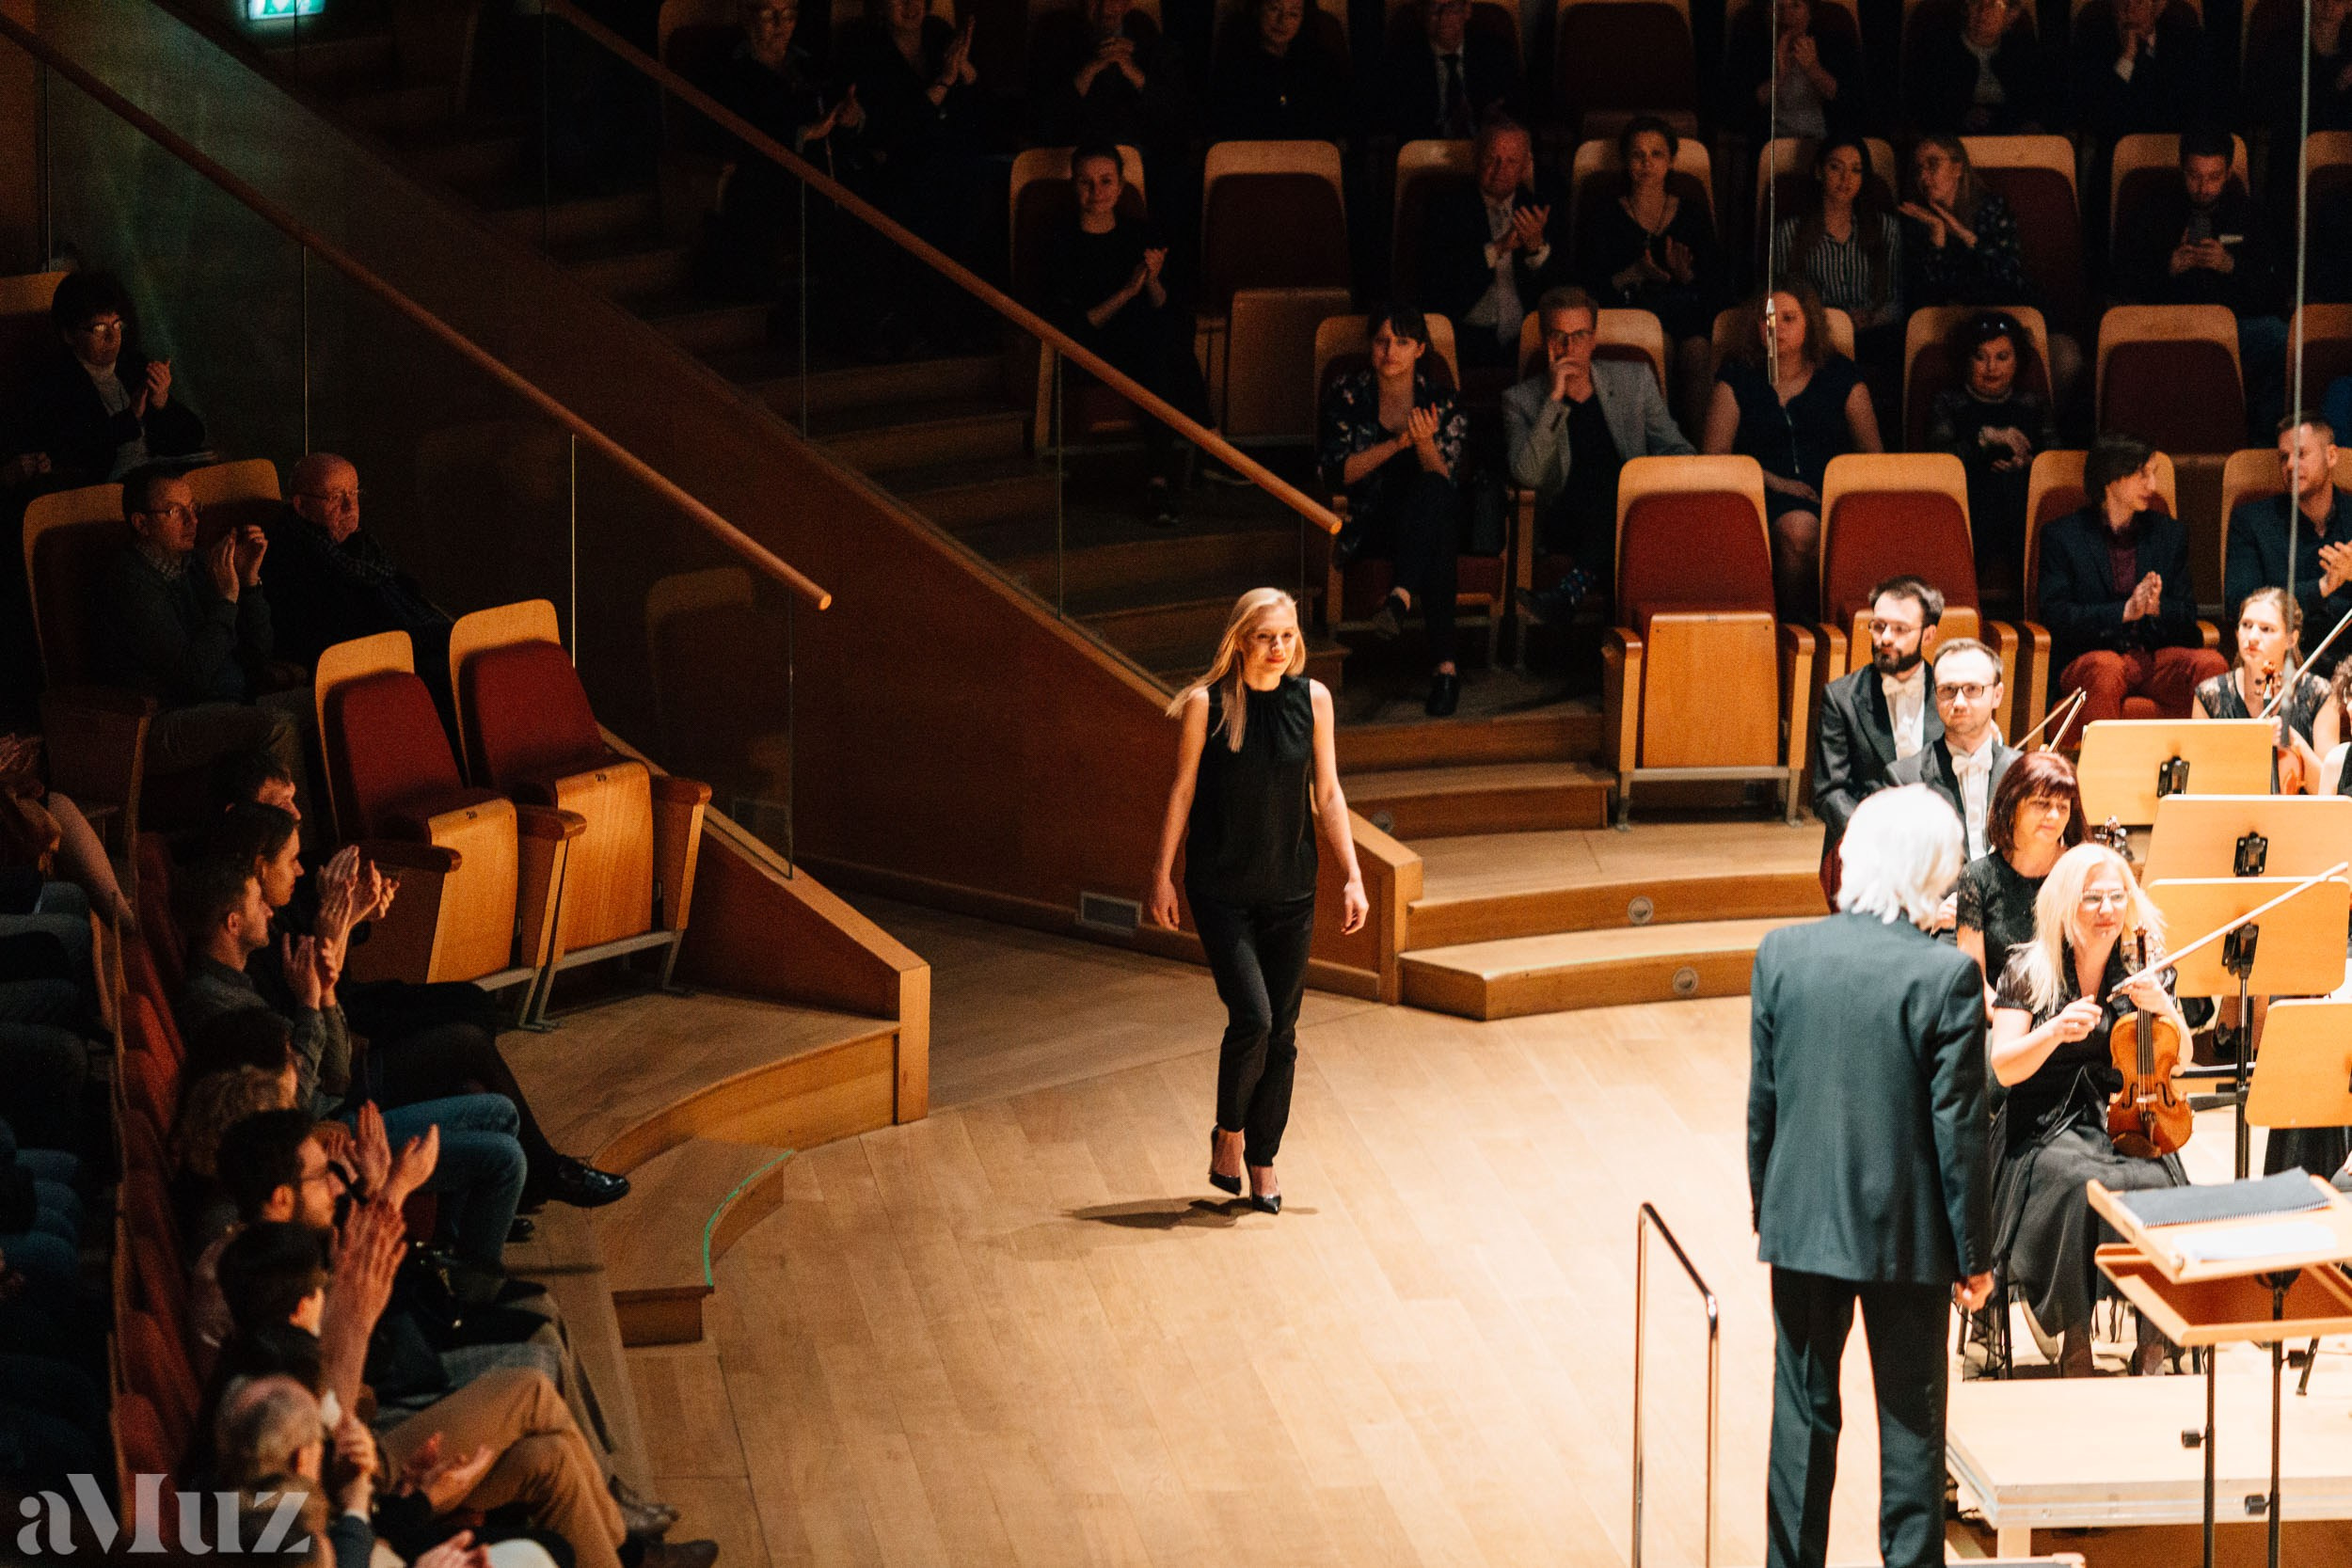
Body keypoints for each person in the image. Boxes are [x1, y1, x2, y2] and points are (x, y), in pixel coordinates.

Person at [1749, 785, 1993, 1568]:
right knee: (1912, 1424)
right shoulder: (1946, 977)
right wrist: (1975, 1253)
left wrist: (1771, 1209)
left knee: (1802, 1415)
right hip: (1907, 1235)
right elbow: (1959, 1129)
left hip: (1802, 1219)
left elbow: (1765, 1104)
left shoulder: (1782, 953)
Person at [1146, 589, 1367, 1216]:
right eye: (1267, 636)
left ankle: (1263, 1160)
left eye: (1288, 636)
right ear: (1241, 639)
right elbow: (1183, 790)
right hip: (1221, 890)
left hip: (1291, 890)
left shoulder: (1313, 700)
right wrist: (1161, 873)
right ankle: (1229, 1131)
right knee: (1256, 1018)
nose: (1279, 647)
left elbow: (1328, 794)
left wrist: (1353, 875)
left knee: (1285, 1033)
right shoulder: (1207, 704)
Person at [1989, 840, 2189, 1376]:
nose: (2107, 910)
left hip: (2125, 1116)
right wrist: (2053, 1031)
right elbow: (2003, 1066)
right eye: (2092, 898)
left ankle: (2153, 1342)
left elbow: (2182, 1058)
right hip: (2045, 1122)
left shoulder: (2144, 968)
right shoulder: (2031, 969)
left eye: (2117, 896)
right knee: (2079, 1185)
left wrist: (2164, 1008)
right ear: (2065, 903)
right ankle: (2075, 1342)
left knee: (2154, 1181)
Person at [92, 465, 310, 795]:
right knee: (276, 726)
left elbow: (258, 654)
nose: (192, 520)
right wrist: (227, 599)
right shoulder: (130, 584)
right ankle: (288, 829)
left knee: (330, 702)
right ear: (141, 523)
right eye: (174, 511)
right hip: (163, 719)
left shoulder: (196, 563)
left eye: (193, 508)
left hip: (228, 703)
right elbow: (191, 677)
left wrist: (248, 584)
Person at [1039, 142, 1214, 517]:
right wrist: (1126, 293)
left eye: (1106, 181)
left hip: (1144, 343)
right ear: (1074, 186)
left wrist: (1151, 280)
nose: (1097, 192)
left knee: (1164, 337)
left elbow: (1165, 306)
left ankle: (1160, 480)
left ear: (1120, 187)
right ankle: (1209, 441)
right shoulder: (1061, 241)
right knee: (1160, 343)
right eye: (1086, 182)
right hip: (1092, 346)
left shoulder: (1139, 233)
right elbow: (1074, 326)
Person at [1503, 285, 1692, 620]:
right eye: (1559, 336)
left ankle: (1570, 592)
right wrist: (1555, 399)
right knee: (1616, 499)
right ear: (1545, 341)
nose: (1569, 347)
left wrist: (1651, 480)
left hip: (1630, 509)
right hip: (1564, 514)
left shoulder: (1634, 380)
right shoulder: (1520, 401)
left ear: (1593, 339)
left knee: (1622, 494)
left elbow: (1677, 449)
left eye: (1579, 335)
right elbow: (1527, 475)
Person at [1317, 307, 1471, 715]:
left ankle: (1399, 598)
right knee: (1438, 531)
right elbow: (1335, 474)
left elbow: (1446, 482)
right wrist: (1397, 445)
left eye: (1402, 342)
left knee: (1435, 505)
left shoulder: (1440, 400)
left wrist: (1424, 445)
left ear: (1419, 349)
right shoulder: (1348, 394)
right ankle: (1445, 670)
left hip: (1422, 519)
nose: (1390, 352)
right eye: (1382, 341)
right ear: (1371, 346)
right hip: (1369, 521)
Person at [1703, 280, 1882, 620]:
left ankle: (1831, 630)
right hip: (1761, 494)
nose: (1776, 328)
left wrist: (1835, 491)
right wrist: (1777, 482)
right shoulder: (1736, 377)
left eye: (1788, 318)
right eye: (1767, 318)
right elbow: (1714, 457)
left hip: (1832, 493)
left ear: (1809, 323)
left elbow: (1872, 456)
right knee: (1798, 530)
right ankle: (1796, 633)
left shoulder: (1842, 375)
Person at [2037, 433, 2226, 736]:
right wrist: (2124, 611)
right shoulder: (2063, 536)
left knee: (2211, 663)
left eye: (2154, 474)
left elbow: (2187, 613)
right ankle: (2105, 767)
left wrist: (2157, 607)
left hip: (2152, 658)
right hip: (2090, 659)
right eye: (2142, 475)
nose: (2152, 485)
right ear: (2111, 477)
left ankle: (2211, 761)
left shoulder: (2169, 534)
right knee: (2106, 667)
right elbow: (2056, 615)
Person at [2112, 127, 2285, 434]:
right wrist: (2167, 269)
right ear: (2182, 169)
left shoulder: (2248, 214)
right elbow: (2120, 282)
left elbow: (2274, 291)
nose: (2204, 187)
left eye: (2214, 177)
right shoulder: (2153, 211)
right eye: (2195, 176)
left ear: (2228, 173)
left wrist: (2231, 266)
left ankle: (2263, 440)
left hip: (2231, 327)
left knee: (2279, 337)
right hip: (2162, 327)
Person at [695, 0, 866, 297]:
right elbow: (728, 136)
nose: (780, 25)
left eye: (788, 16)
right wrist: (803, 134)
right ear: (746, 16)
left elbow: (841, 112)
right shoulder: (727, 69)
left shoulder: (810, 63)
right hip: (769, 176)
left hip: (829, 171)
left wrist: (851, 117)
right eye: (768, 15)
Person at [1575, 116, 1722, 431]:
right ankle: (1658, 445)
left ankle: (1700, 450)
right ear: (1625, 161)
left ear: (1671, 161)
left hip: (1683, 311)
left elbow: (1716, 284)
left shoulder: (1692, 212)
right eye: (1637, 155)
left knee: (1697, 350)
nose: (1647, 163)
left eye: (1656, 154)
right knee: (1659, 344)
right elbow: (1588, 286)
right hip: (1629, 314)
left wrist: (1686, 275)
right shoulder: (1604, 214)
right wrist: (1635, 272)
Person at [5, 270, 206, 488]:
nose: (112, 337)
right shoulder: (55, 383)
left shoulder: (132, 364)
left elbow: (192, 437)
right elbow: (76, 453)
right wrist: (130, 418)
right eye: (99, 328)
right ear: (69, 335)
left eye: (117, 324)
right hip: (108, 492)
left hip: (154, 480)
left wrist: (162, 403)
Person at [268, 454, 454, 684]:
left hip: (414, 642)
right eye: (335, 497)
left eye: (353, 493)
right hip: (373, 662)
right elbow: (341, 633)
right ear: (301, 506)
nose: (350, 506)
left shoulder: (363, 545)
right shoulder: (290, 557)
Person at [1814, 578, 1943, 896]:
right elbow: (1829, 793)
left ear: (1928, 634)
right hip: (1864, 848)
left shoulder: (1952, 695)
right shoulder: (1841, 698)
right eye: (1879, 626)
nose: (1885, 638)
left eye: (1900, 629)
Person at [1418, 116, 1563, 371]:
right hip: (1466, 336)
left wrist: (1537, 250)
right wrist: (1497, 249)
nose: (1500, 169)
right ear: (1476, 158)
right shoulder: (1446, 207)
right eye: (1491, 159)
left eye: (1511, 161)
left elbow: (1561, 291)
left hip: (1527, 338)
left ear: (1525, 165)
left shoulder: (1541, 207)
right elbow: (1438, 285)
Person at [1926, 311, 2054, 588]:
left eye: (2002, 357)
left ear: (2017, 361)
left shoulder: (2032, 404)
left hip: (2021, 501)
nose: (1991, 368)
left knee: (2013, 487)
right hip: (1970, 503)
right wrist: (1985, 439)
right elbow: (1937, 464)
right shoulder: (1948, 402)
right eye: (1980, 357)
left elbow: (2056, 461)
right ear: (1966, 360)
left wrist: (2028, 464)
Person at [2224, 417, 2352, 676]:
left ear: (2331, 456)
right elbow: (2240, 604)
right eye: (2284, 457)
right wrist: (2321, 587)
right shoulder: (2252, 521)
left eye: (2301, 454)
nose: (2290, 465)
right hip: (2284, 661)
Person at [1955, 750, 2086, 1000]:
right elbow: (1974, 983)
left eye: (2063, 807)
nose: (2054, 816)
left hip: (2072, 1013)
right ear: (2012, 805)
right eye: (2042, 804)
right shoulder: (1978, 876)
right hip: (2000, 1015)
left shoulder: (2081, 872)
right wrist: (2010, 1018)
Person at [1767, 138, 1901, 355]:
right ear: (1819, 171)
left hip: (1875, 335)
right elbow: (1781, 296)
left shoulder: (1886, 228)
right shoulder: (1790, 232)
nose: (1846, 178)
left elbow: (1897, 295)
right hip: (1816, 338)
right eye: (1836, 167)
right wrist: (1834, 321)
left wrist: (1873, 318)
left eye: (1856, 170)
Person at [1889, 637, 2015, 864]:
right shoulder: (1905, 779)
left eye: (1972, 689)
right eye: (1948, 690)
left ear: (1997, 695)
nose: (1959, 702)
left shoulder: (2023, 774)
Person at [2194, 587, 2333, 793]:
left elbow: (2330, 789)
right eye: (2246, 625)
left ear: (2291, 639)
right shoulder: (2209, 694)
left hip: (2300, 812)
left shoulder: (2320, 694)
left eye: (2266, 629)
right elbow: (2199, 783)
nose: (2252, 637)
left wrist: (2293, 740)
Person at [1898, 135, 2028, 309]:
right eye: (1919, 168)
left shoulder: (1991, 208)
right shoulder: (1917, 218)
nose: (1923, 175)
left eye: (1933, 163)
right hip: (1945, 320)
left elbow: (2009, 277)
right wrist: (1938, 234)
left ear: (1957, 168)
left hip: (1999, 312)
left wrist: (1963, 233)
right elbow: (1925, 300)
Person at [1369, 0, 1516, 140]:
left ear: (1467, 10)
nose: (1444, 16)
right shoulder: (1402, 61)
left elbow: (1515, 105)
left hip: (1486, 145)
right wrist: (1448, 127)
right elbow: (1399, 122)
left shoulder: (1495, 53)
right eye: (1434, 8)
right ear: (1421, 12)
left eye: (1452, 6)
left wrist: (1492, 118)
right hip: (1426, 148)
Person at [2071, 0, 2207, 148]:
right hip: (2116, 147)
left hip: (2171, 145)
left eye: (2139, 3)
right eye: (2123, 3)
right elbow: (2098, 113)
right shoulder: (2095, 40)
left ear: (2157, 9)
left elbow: (2190, 105)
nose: (2130, 11)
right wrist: (2127, 57)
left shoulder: (2182, 41)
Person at [1207, 0, 1346, 140]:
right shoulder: (1235, 63)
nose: (1282, 20)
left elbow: (1335, 120)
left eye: (1293, 14)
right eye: (1274, 8)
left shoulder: (1320, 63)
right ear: (1258, 10)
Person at [1910, 0, 2049, 135]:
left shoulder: (2022, 50)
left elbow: (2038, 100)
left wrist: (2032, 123)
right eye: (1976, 2)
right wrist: (1961, 116)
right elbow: (1923, 104)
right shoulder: (1938, 48)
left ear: (2011, 15)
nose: (1983, 11)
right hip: (1957, 137)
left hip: (2014, 139)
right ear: (1966, 9)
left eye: (1994, 4)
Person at [1727, 0, 1860, 141]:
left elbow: (1854, 107)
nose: (1786, 14)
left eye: (1796, 5)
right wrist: (1778, 78)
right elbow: (1735, 117)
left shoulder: (1834, 46)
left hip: (1827, 143)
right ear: (1767, 14)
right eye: (1777, 6)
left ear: (1809, 14)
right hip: (1772, 145)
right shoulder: (1750, 50)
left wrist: (1814, 70)